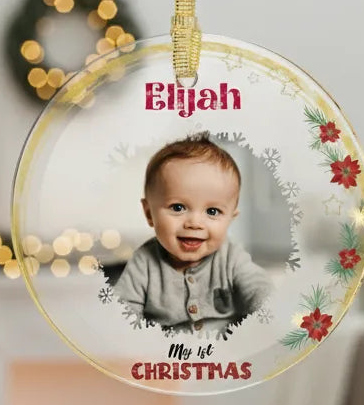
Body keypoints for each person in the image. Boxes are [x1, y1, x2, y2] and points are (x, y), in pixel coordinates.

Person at [114, 135, 271, 336]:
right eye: (178, 207)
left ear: (230, 219)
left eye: (212, 211)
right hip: (166, 358)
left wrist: (267, 314)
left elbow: (258, 286)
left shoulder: (230, 256)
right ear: (149, 213)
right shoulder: (144, 262)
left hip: (225, 354)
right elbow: (121, 313)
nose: (195, 223)